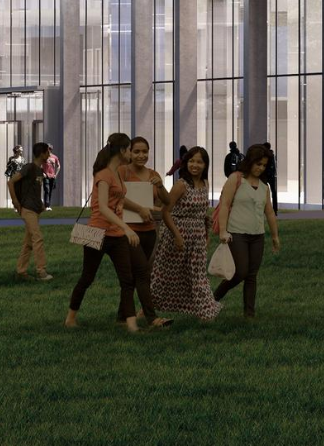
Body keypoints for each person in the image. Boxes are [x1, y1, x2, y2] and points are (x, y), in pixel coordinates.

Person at [63, 135, 159, 332]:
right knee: (87, 278)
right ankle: (70, 317)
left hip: (116, 235)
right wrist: (127, 228)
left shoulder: (117, 174)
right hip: (97, 232)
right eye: (130, 150)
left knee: (127, 280)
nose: (133, 154)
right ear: (123, 151)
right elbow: (104, 209)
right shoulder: (104, 175)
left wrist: (144, 209)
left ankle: (131, 324)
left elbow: (120, 201)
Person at [148, 145, 221, 323]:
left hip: (196, 236)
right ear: (185, 163)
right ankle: (147, 308)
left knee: (197, 274)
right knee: (165, 274)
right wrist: (177, 236)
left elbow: (203, 213)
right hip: (176, 233)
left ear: (205, 165)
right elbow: (166, 212)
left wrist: (206, 236)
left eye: (199, 162)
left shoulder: (205, 184)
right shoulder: (181, 185)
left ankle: (205, 312)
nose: (195, 165)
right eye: (191, 161)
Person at [212, 143, 281, 319]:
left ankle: (249, 314)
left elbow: (270, 212)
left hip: (257, 235)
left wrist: (274, 236)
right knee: (241, 272)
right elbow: (225, 205)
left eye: (264, 165)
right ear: (250, 161)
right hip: (237, 233)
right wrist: (223, 232)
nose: (260, 168)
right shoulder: (236, 179)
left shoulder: (264, 187)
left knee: (252, 275)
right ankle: (213, 299)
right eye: (258, 163)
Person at [116, 137, 172, 326]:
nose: (141, 155)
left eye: (145, 152)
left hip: (149, 231)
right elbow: (117, 198)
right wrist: (139, 208)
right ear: (129, 153)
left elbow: (167, 200)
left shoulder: (153, 174)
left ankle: (122, 316)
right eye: (137, 151)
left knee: (133, 275)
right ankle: (152, 317)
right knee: (143, 273)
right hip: (129, 231)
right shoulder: (123, 172)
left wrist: (160, 185)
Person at [11, 141, 52, 281]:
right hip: (27, 210)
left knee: (28, 243)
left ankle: (21, 272)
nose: (49, 154)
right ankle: (41, 271)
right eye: (48, 152)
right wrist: (15, 202)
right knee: (38, 238)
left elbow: (34, 190)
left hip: (35, 210)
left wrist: (40, 204)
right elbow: (11, 182)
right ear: (42, 153)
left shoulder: (40, 170)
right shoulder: (29, 167)